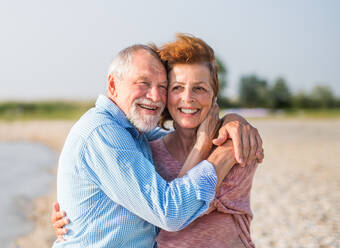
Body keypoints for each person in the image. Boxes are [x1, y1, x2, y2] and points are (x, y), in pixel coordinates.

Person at [53, 41, 263, 247]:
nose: (154, 96)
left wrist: (233, 121)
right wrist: (221, 153)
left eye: (162, 86)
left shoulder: (135, 133)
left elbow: (180, 131)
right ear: (112, 85)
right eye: (143, 83)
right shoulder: (103, 132)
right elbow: (170, 212)